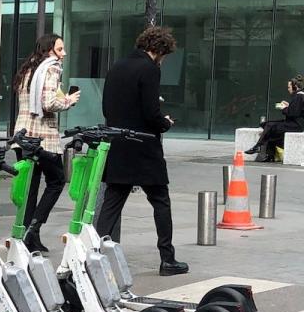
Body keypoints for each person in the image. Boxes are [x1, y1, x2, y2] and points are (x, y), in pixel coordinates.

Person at [96, 26, 188, 277]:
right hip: (144, 145)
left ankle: (92, 255)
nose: (163, 59)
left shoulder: (117, 66)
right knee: (160, 200)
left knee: (112, 202)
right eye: (164, 55)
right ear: (158, 50)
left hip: (118, 142)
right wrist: (165, 123)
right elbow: (151, 112)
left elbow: (107, 107)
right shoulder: (149, 69)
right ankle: (167, 259)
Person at [12, 33, 80, 252]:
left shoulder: (28, 71)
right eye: (59, 49)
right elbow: (49, 103)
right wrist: (68, 101)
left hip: (22, 135)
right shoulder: (51, 69)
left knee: (30, 187)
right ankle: (34, 227)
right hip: (43, 138)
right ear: (48, 50)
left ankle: (27, 235)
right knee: (57, 181)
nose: (64, 54)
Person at [244, 76, 304, 162]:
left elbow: (293, 113)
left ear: (295, 86)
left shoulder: (299, 96)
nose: (288, 89)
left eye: (289, 87)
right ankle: (269, 155)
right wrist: (288, 106)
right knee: (266, 124)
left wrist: (283, 108)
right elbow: (296, 110)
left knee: (270, 126)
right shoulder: (299, 96)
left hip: (295, 125)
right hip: (294, 123)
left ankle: (258, 146)